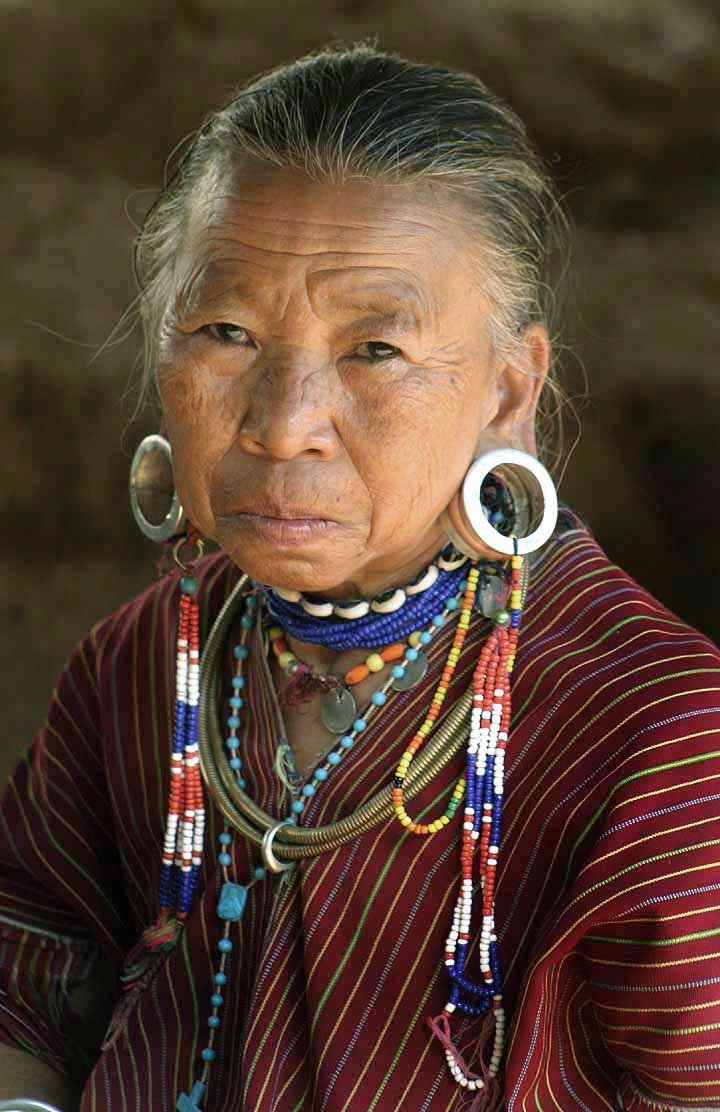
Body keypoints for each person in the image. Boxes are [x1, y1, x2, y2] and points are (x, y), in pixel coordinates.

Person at [1, 41, 719, 1112]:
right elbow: (27, 976)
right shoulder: (149, 660)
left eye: (375, 349)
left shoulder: (660, 735)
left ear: (508, 390)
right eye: (227, 331)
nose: (284, 423)